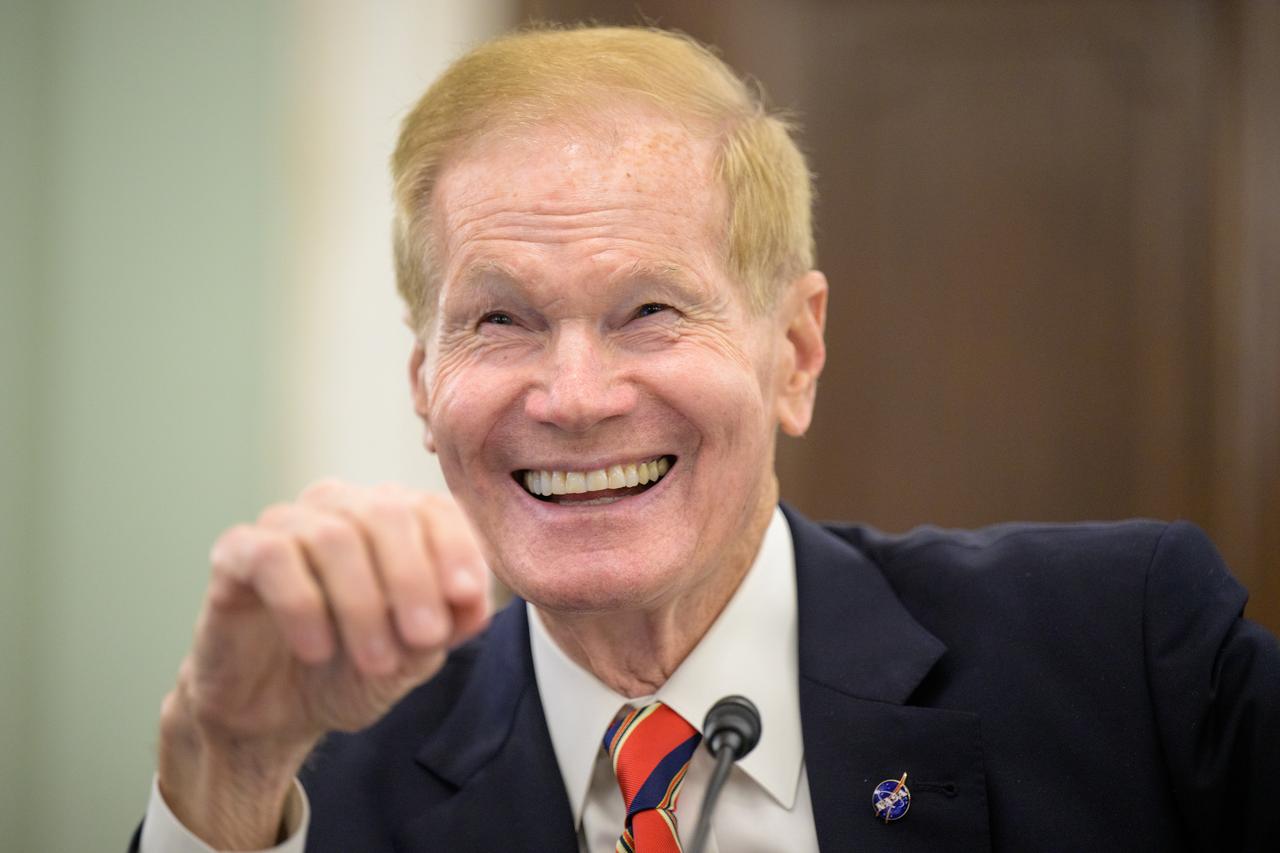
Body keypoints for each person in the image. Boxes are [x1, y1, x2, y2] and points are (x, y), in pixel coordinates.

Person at [132, 24, 1280, 853]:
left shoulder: (1126, 659)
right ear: (425, 383)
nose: (574, 396)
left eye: (650, 309)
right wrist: (221, 771)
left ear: (793, 351)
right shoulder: (305, 792)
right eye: (499, 320)